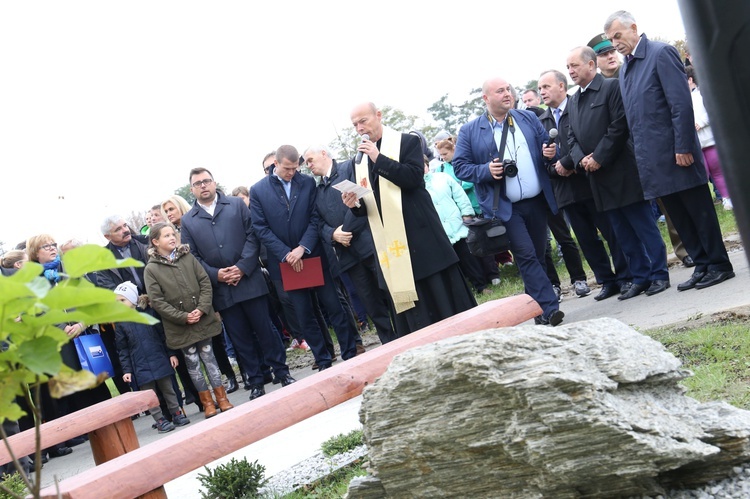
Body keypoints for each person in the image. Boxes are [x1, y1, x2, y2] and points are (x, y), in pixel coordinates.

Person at [605, 10, 734, 291]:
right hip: (653, 160)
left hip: (678, 153)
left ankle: (719, 264)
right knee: (679, 215)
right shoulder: (626, 68)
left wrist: (684, 145)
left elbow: (680, 105)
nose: (615, 43)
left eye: (617, 35)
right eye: (610, 39)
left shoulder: (660, 53)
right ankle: (702, 265)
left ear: (633, 28)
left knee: (699, 211)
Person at [343, 102, 477, 334]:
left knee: (441, 298)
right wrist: (355, 204)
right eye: (355, 125)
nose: (359, 128)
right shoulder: (359, 160)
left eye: (363, 121)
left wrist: (378, 158)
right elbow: (371, 204)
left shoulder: (407, 142)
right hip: (392, 245)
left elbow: (413, 179)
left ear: (378, 115)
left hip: (421, 236)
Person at [453, 81, 563, 326]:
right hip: (505, 207)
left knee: (536, 254)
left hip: (536, 201)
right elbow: (460, 166)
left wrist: (551, 152)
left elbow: (549, 147)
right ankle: (549, 306)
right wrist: (485, 170)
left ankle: (535, 309)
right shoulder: (470, 131)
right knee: (525, 254)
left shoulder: (527, 118)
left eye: (508, 89)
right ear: (485, 98)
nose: (507, 94)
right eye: (500, 91)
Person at [180, 168, 296, 400]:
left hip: (250, 280)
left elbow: (253, 235)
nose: (203, 186)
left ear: (214, 183)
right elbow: (192, 257)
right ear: (192, 189)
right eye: (197, 183)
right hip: (223, 290)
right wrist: (217, 275)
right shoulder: (188, 220)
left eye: (206, 181)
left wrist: (242, 267)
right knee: (240, 338)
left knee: (266, 331)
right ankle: (255, 381)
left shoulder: (236, 205)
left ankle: (282, 372)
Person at [565, 46, 670, 300]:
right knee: (622, 233)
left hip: (622, 172)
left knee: (643, 226)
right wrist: (582, 160)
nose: (570, 71)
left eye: (575, 65)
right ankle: (640, 277)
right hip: (597, 179)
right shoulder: (575, 99)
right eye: (568, 67)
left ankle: (659, 274)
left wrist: (599, 157)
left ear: (591, 65)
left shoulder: (611, 87)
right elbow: (571, 137)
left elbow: (619, 125)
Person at [251, 145, 358, 368]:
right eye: (288, 169)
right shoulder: (258, 190)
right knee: (304, 313)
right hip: (286, 262)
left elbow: (315, 218)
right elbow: (260, 228)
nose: (292, 173)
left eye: (295, 168)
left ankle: (349, 351)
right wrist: (286, 253)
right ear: (276, 165)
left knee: (333, 305)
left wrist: (302, 248)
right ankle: (322, 358)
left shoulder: (307, 182)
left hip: (312, 254)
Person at [538, 69, 631, 301]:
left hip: (590, 181)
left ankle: (625, 276)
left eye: (546, 87)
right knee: (587, 239)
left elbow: (588, 139)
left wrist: (570, 162)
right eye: (540, 88)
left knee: (611, 232)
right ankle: (606, 280)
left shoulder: (579, 105)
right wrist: (555, 166)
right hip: (565, 190)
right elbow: (542, 158)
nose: (542, 92)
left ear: (562, 86)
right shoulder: (541, 121)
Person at [25, 234, 111, 458]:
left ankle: (105, 423)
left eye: (54, 245)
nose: (53, 249)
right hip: (57, 343)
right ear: (35, 253)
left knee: (92, 382)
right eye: (47, 246)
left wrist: (81, 324)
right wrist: (62, 327)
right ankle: (79, 431)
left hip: (82, 336)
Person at [303, 145, 397, 344]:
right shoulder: (317, 189)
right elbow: (317, 221)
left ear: (323, 153)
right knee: (370, 303)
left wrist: (345, 229)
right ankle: (389, 342)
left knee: (391, 292)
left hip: (369, 244)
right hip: (347, 255)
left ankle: (406, 333)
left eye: (310, 159)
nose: (308, 165)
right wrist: (333, 235)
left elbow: (363, 198)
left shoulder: (349, 169)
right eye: (306, 162)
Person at [144, 222, 234, 417]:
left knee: (210, 359)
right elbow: (157, 301)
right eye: (166, 235)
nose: (172, 237)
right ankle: (207, 402)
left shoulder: (188, 257)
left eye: (173, 233)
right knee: (192, 363)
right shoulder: (151, 269)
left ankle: (222, 398)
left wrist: (201, 309)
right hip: (180, 326)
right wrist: (183, 317)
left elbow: (204, 282)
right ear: (155, 241)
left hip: (202, 319)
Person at [114, 280, 190, 433]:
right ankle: (160, 419)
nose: (119, 304)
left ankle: (176, 413)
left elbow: (163, 336)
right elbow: (122, 349)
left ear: (133, 299)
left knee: (168, 389)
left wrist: (171, 354)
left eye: (122, 300)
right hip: (140, 366)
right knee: (149, 396)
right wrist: (127, 370)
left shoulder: (149, 314)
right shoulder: (121, 324)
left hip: (160, 359)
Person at [422, 155, 491, 295]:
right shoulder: (416, 187)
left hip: (457, 226)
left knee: (469, 258)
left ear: (427, 164)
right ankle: (462, 292)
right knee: (452, 265)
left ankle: (481, 286)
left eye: (422, 164)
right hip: (439, 232)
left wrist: (466, 215)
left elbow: (460, 196)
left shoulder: (443, 177)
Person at [686, 65, 731, 211]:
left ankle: (727, 198)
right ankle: (706, 204)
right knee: (702, 173)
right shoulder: (683, 98)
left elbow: (710, 111)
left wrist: (701, 123)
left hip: (710, 141)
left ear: (690, 79)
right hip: (697, 144)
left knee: (717, 171)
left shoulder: (701, 94)